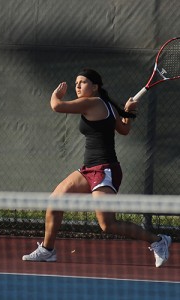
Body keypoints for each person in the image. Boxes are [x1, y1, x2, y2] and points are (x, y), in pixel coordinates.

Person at [22, 69, 171, 267]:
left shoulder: (91, 102)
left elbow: (57, 106)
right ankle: (47, 250)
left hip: (105, 170)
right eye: (76, 82)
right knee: (55, 202)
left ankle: (159, 241)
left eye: (82, 82)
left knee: (107, 224)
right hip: (88, 170)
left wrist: (55, 95)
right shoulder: (108, 105)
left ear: (95, 87)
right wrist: (130, 111)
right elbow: (124, 130)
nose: (77, 86)